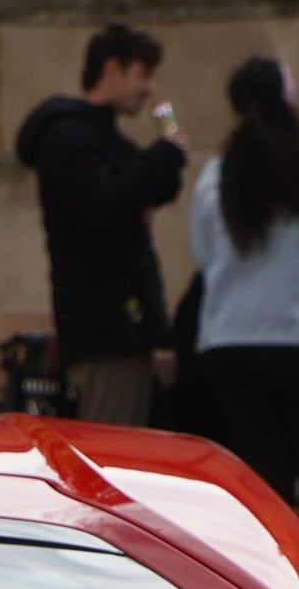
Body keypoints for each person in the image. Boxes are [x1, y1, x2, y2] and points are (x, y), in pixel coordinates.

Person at [188, 57, 299, 552]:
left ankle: (273, 578)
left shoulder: (215, 176)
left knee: (264, 471)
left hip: (232, 340)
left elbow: (204, 260)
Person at [13, 24, 182, 429]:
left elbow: (139, 190)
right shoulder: (69, 138)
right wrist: (160, 159)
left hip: (126, 331)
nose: (149, 88)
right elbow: (106, 203)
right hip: (104, 333)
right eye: (143, 74)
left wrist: (166, 165)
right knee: (111, 457)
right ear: (112, 69)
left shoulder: (107, 141)